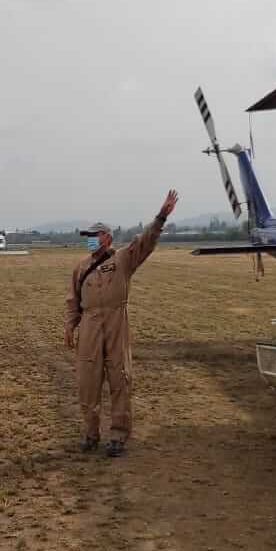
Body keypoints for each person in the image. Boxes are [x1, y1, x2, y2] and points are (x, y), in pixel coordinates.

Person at [64, 190, 179, 458]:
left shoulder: (123, 259)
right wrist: (70, 326)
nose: (90, 241)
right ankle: (91, 433)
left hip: (117, 321)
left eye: (95, 236)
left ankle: (118, 435)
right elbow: (73, 300)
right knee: (87, 381)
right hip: (90, 324)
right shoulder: (80, 269)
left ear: (107, 237)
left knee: (120, 379)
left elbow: (146, 242)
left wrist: (161, 216)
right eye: (88, 237)